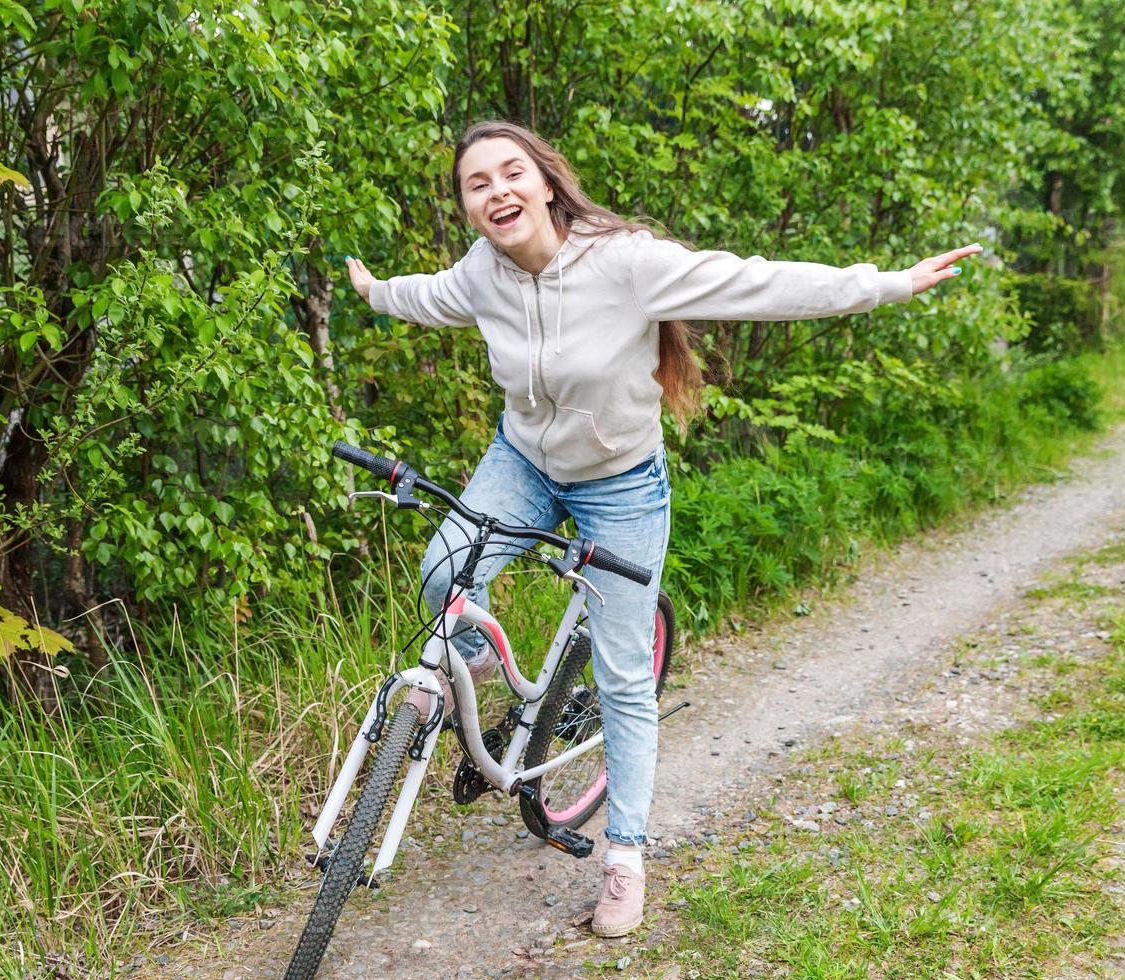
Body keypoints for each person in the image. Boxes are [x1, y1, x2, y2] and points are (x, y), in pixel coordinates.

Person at [345, 119, 979, 937]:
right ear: (469, 210)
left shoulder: (625, 262)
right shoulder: (481, 273)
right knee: (444, 576)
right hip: (524, 462)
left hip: (619, 483)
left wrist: (884, 283)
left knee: (622, 678)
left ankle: (625, 856)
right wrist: (370, 291)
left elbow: (757, 283)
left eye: (511, 174)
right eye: (477, 184)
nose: (498, 191)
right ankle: (484, 668)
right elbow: (424, 298)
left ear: (545, 183)